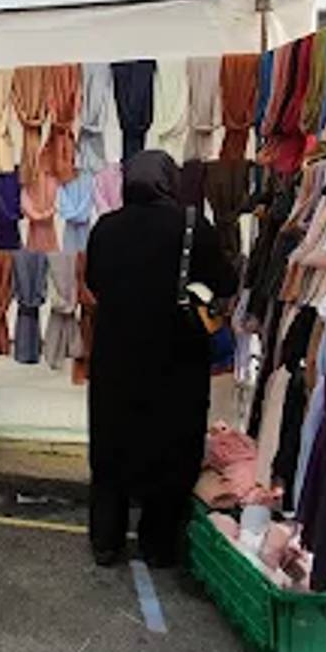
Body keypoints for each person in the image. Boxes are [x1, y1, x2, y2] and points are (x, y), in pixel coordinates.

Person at [84, 149, 236, 568]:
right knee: (171, 448)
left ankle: (106, 540)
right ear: (169, 181)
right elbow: (223, 281)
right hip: (177, 361)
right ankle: (157, 544)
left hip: (116, 359)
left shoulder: (106, 228)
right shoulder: (193, 227)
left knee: (112, 449)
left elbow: (94, 282)